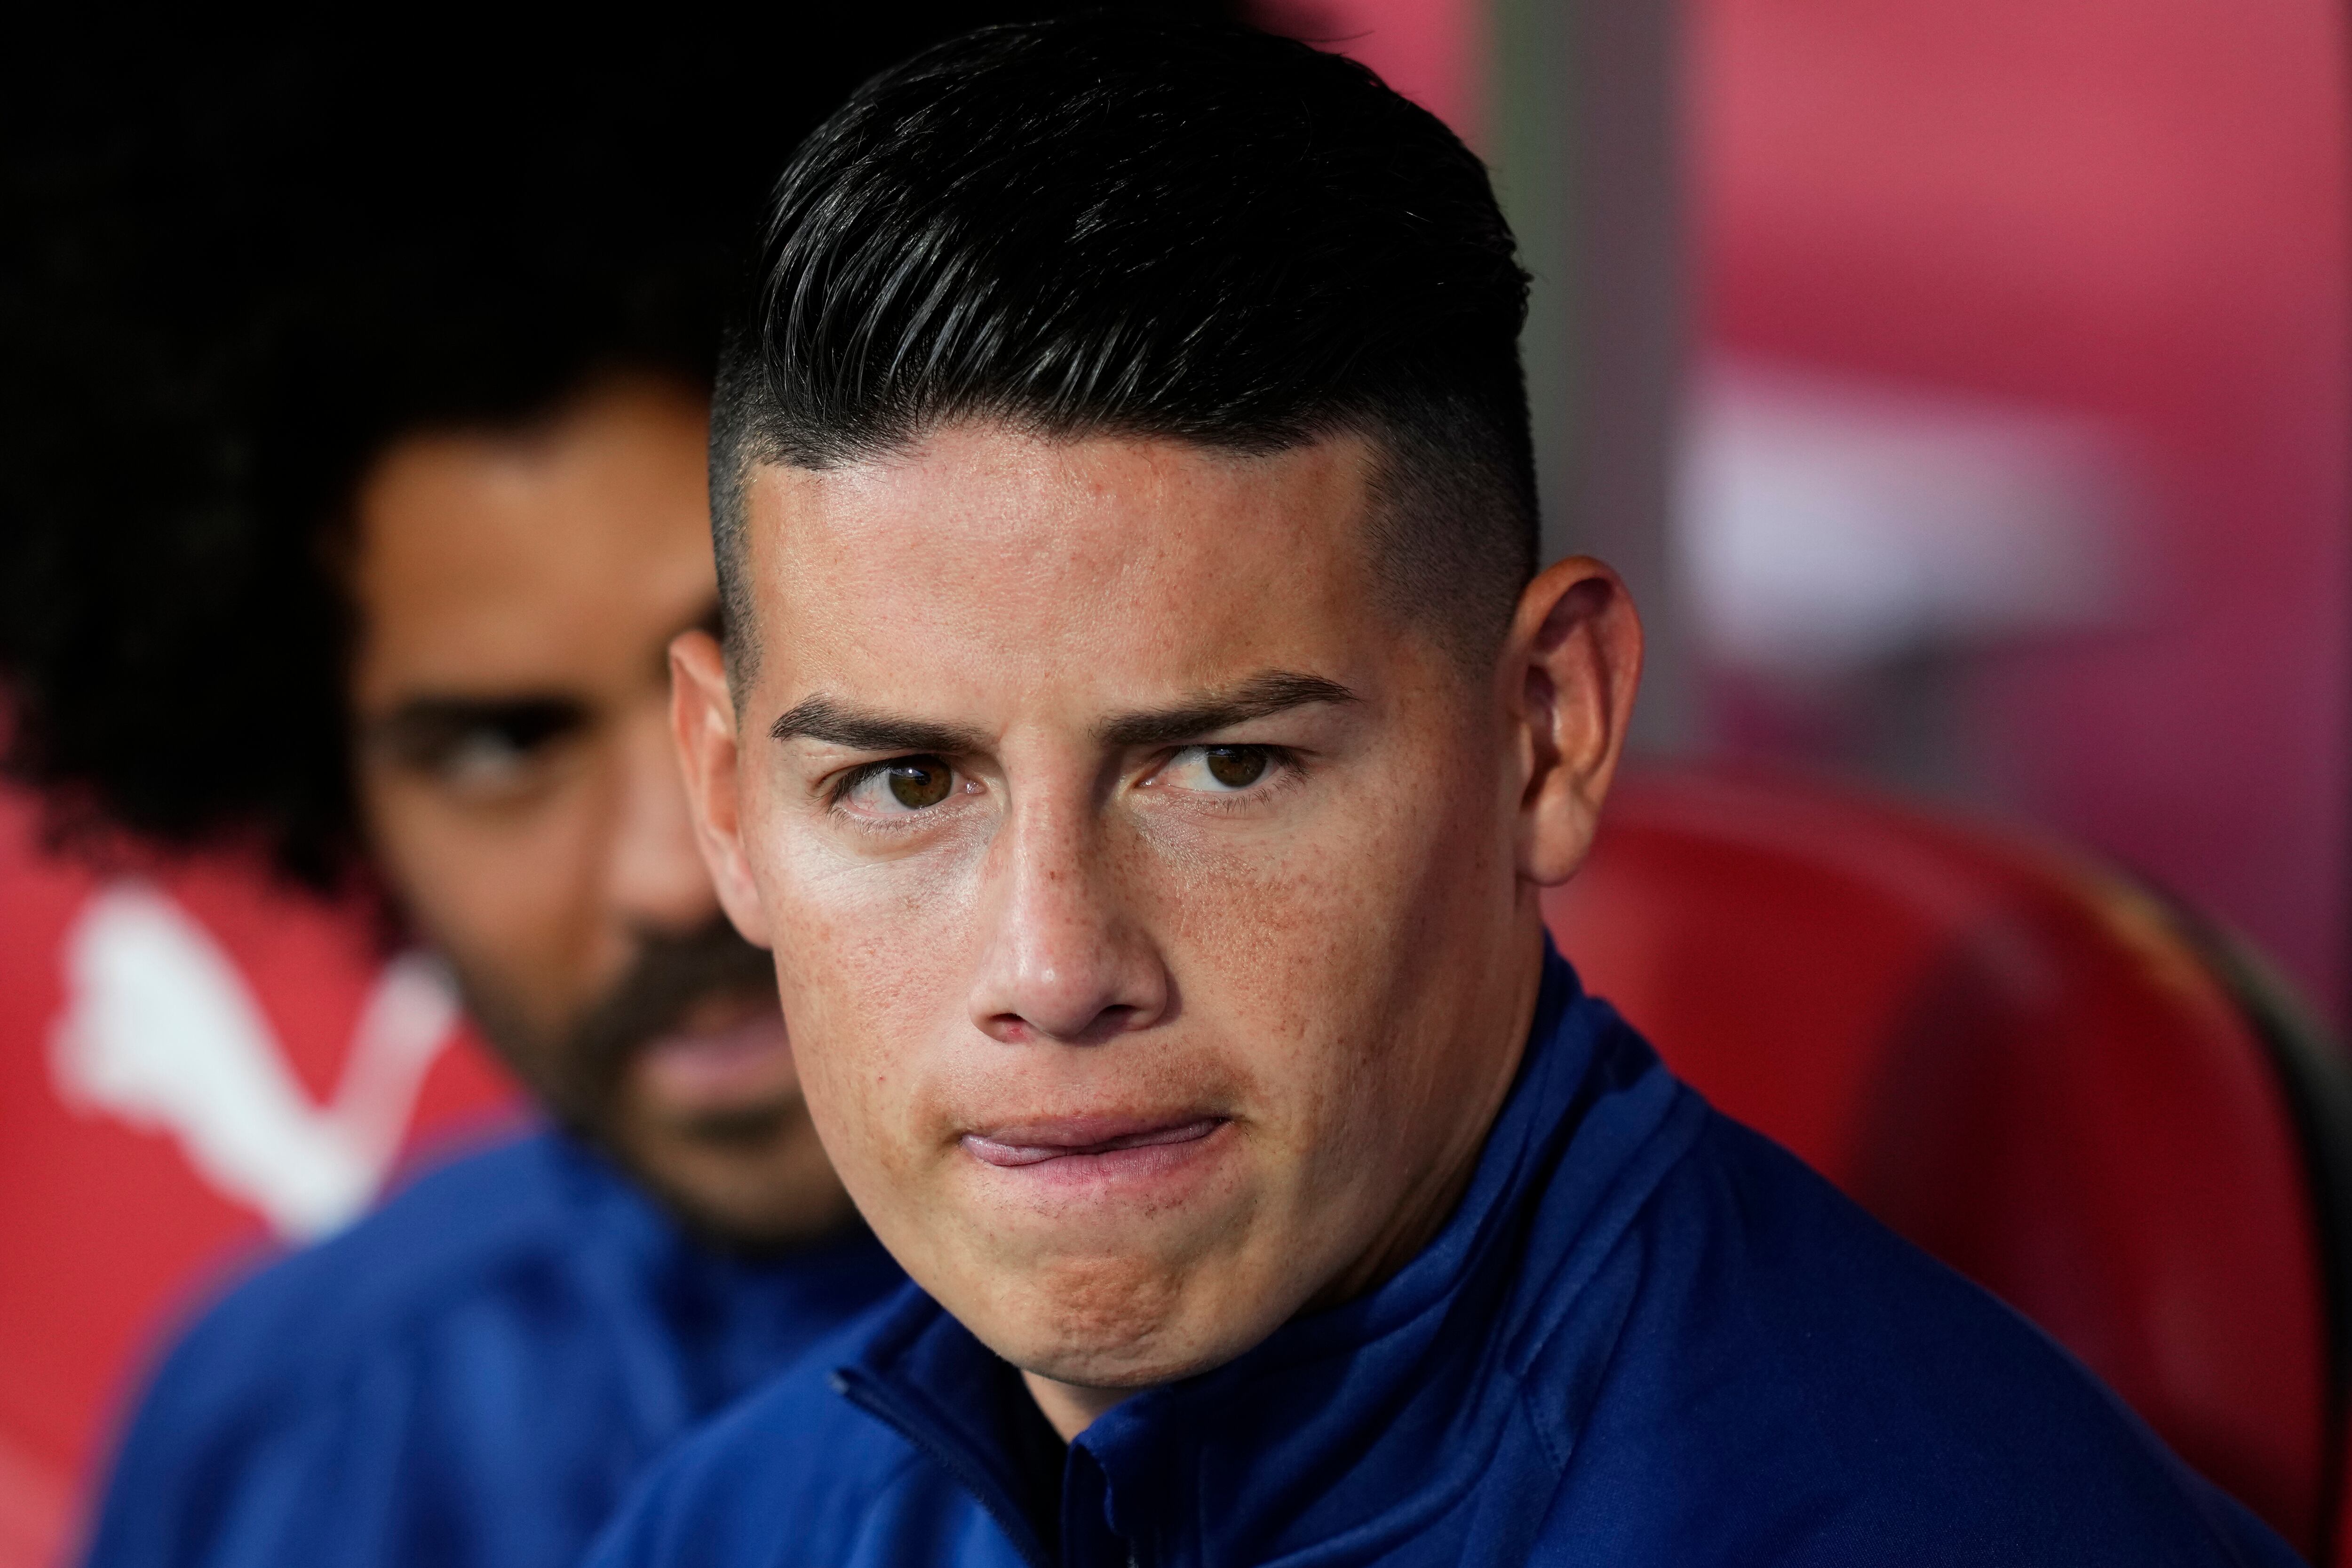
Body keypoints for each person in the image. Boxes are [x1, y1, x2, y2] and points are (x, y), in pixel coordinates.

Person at [585, 16, 2299, 1568]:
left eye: (1224, 764)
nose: (1052, 965)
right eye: (902, 782)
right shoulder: (739, 1520)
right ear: (729, 801)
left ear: (1548, 729)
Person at [0, 12, 1203, 1568]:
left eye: (779, 690)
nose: (678, 872)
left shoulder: (1451, 1411)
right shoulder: (278, 1437)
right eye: (505, 747)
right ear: (326, 774)